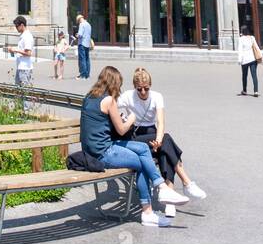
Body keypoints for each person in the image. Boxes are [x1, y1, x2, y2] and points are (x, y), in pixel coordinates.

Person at [80, 66, 189, 227]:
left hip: (92, 149)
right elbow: (122, 129)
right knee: (140, 162)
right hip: (103, 152)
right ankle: (148, 211)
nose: (119, 88)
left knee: (143, 148)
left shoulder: (88, 97)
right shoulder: (108, 100)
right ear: (113, 82)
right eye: (119, 83)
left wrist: (119, 117)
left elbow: (100, 123)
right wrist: (132, 118)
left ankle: (161, 188)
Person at [119, 67, 206, 200]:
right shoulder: (127, 96)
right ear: (134, 87)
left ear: (150, 86)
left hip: (152, 133)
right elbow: (111, 107)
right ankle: (186, 183)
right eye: (139, 89)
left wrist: (158, 141)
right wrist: (121, 117)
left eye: (146, 88)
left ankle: (169, 195)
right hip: (135, 135)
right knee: (166, 140)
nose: (143, 92)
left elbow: (160, 121)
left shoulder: (156, 97)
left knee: (164, 149)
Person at [10, 15, 35, 87]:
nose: (16, 28)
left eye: (17, 26)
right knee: (18, 89)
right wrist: (13, 50)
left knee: (24, 91)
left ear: (22, 25)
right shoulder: (23, 35)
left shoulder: (27, 36)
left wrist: (16, 50)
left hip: (25, 68)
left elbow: (28, 53)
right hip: (21, 66)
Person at [238, 24, 262, 96]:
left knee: (244, 75)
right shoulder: (252, 38)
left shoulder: (241, 39)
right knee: (254, 75)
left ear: (242, 31)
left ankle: (244, 90)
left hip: (245, 60)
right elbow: (256, 47)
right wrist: (260, 55)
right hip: (253, 59)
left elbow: (240, 50)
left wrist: (239, 60)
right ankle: (256, 91)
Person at [75, 13, 93, 79]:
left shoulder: (82, 24)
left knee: (82, 59)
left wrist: (76, 35)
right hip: (87, 44)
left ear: (79, 19)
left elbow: (80, 34)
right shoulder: (88, 24)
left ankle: (83, 74)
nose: (78, 22)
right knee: (87, 59)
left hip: (82, 43)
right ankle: (87, 74)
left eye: (78, 21)